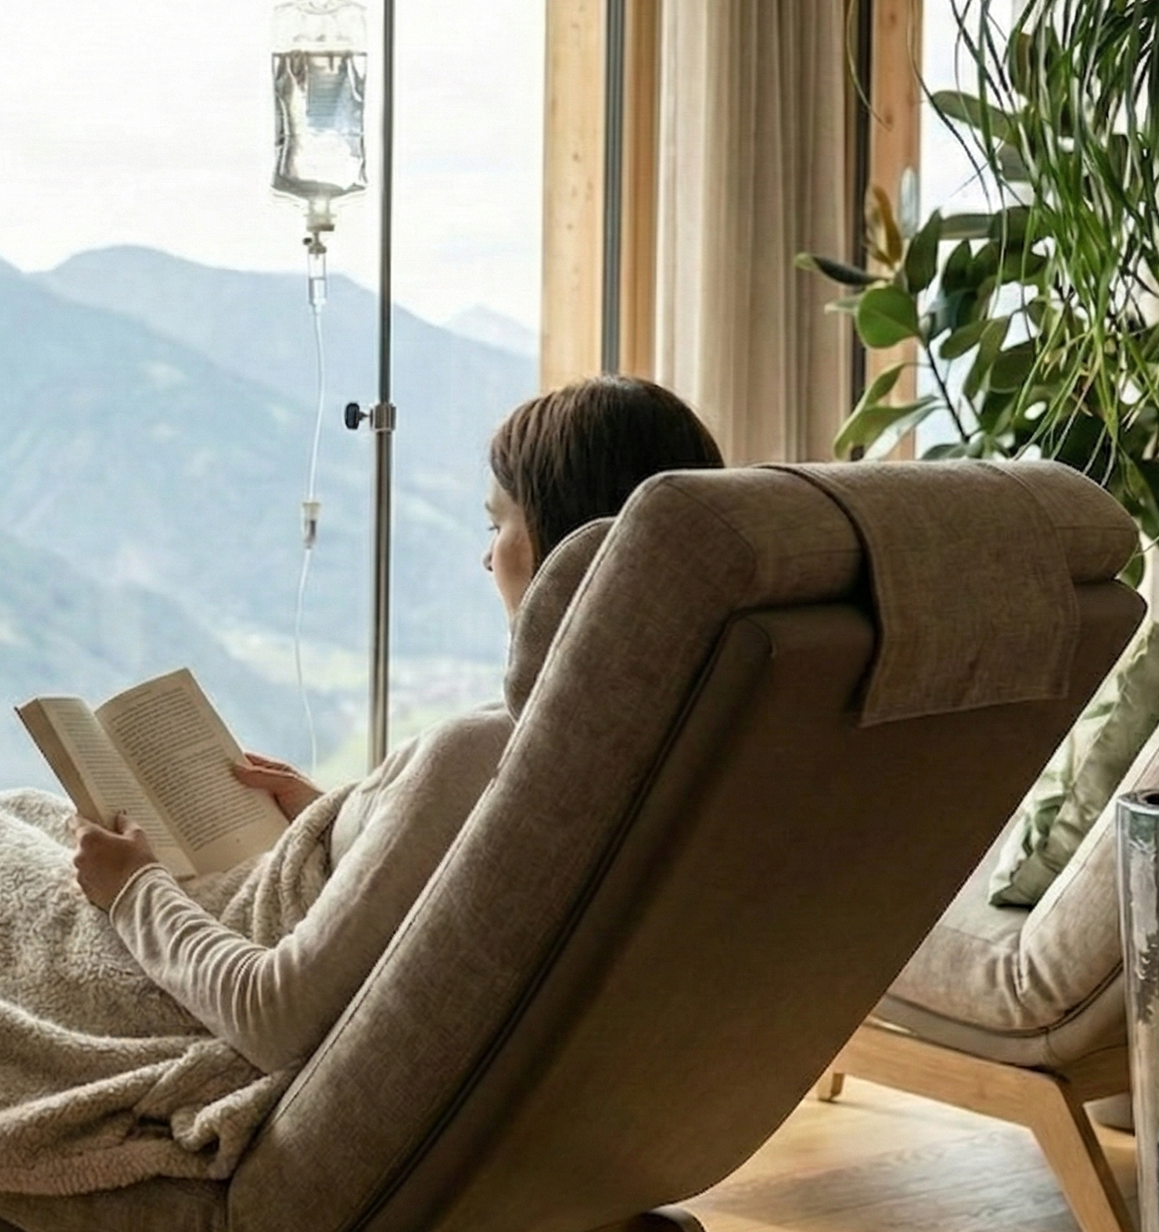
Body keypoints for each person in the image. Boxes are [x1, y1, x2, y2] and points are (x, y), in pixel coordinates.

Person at [67, 375, 726, 1071]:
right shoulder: (679, 743)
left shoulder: (485, 755)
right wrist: (343, 817)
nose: (486, 554)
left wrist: (134, 889)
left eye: (496, 523)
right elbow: (450, 877)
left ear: (566, 547)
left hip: (192, 967)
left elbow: (274, 1014)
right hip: (261, 901)